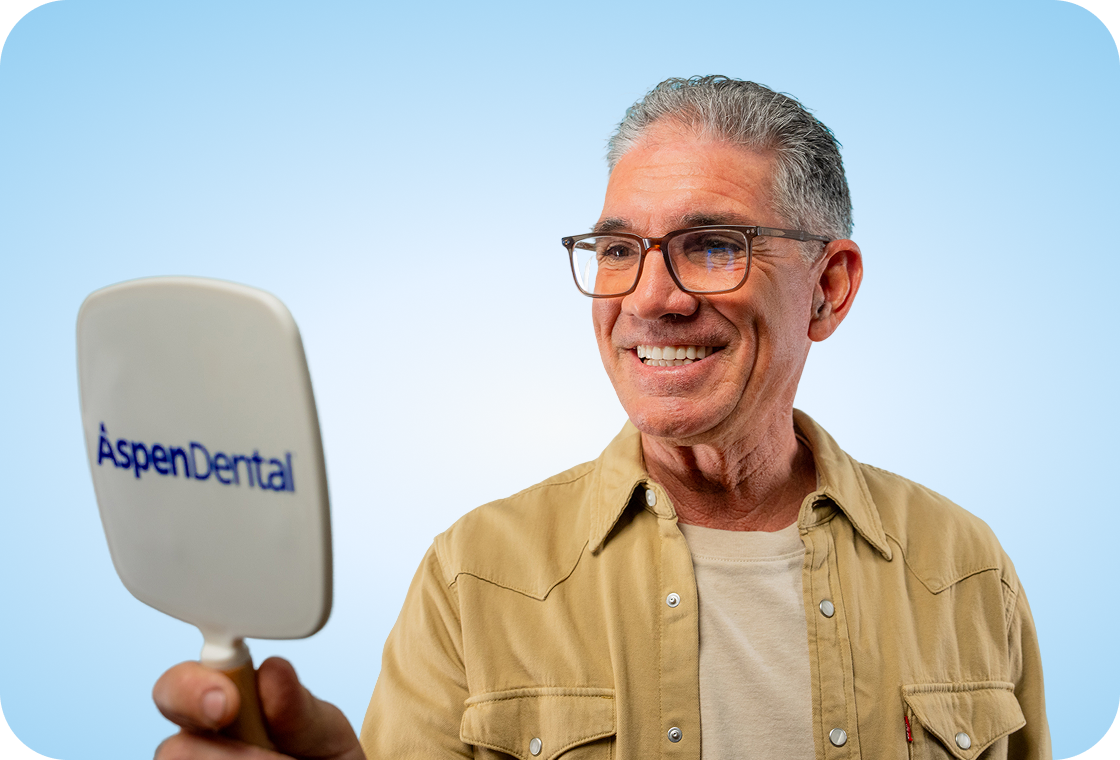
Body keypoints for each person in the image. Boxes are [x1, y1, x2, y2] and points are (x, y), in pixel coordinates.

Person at [152, 75, 1050, 760]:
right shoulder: (476, 578)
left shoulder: (966, 570)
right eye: (620, 249)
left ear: (829, 286)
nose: (650, 298)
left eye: (711, 246)